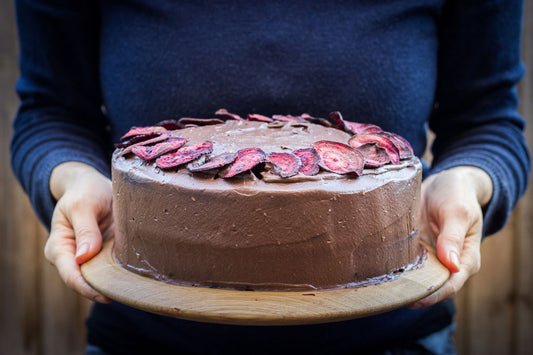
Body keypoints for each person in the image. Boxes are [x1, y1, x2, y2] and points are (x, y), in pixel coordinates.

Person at [10, 1, 529, 354]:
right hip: (144, 335)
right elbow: (52, 108)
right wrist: (74, 177)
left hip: (395, 336)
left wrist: (467, 178)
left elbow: (486, 118)